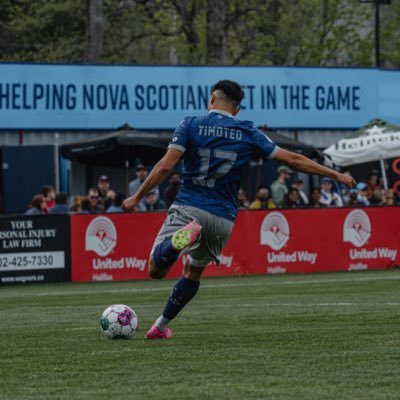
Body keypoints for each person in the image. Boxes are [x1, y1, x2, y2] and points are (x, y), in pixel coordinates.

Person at [122, 79, 356, 340]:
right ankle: (161, 327)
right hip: (223, 218)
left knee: (156, 269)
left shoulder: (190, 124)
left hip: (190, 206)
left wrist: (136, 196)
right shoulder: (247, 131)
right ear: (236, 110)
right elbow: (293, 160)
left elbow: (165, 166)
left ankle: (178, 243)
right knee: (194, 271)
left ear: (212, 99)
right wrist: (336, 175)